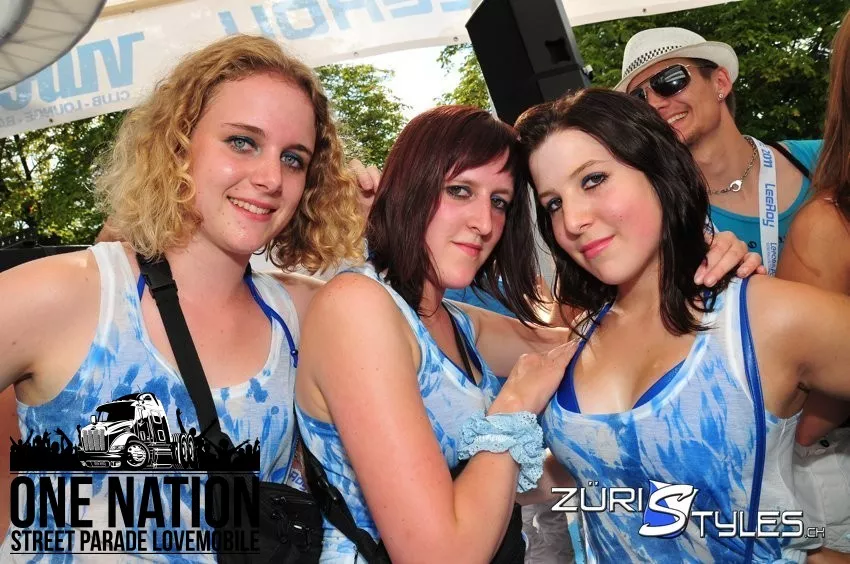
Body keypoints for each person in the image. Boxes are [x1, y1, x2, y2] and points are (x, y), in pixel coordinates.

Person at [294, 102, 763, 563]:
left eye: (499, 202)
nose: (484, 223)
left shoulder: (452, 320)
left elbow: (599, 342)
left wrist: (695, 271)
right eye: (460, 190)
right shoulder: (358, 306)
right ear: (410, 186)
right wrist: (514, 403)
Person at [0, 34, 363, 561]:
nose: (270, 178)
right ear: (178, 146)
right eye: (242, 141)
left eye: (293, 158)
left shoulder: (303, 313)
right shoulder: (71, 295)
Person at [515, 88, 850, 562]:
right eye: (553, 203)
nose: (572, 220)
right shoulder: (579, 332)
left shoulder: (762, 317)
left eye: (593, 180)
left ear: (658, 170)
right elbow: (599, 477)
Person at [616, 27, 821, 275]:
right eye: (639, 99)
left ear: (720, 82)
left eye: (670, 80)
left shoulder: (822, 160)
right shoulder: (663, 219)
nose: (654, 104)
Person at [777, 9, 850, 558]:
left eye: (671, 80)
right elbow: (804, 419)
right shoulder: (827, 224)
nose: (658, 100)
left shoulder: (796, 168)